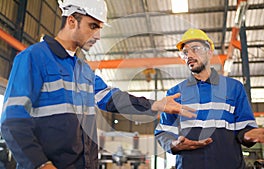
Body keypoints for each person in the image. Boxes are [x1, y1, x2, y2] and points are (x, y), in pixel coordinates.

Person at [0, 1, 196, 168]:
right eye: (92, 26)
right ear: (71, 21)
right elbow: (12, 121)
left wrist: (155, 104)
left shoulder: (83, 69)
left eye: (100, 28)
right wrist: (41, 164)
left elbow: (111, 98)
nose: (98, 36)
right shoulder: (33, 58)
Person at [154, 28, 264, 169]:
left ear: (209, 51)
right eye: (185, 52)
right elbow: (163, 131)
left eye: (195, 49)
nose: (189, 55)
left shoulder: (233, 88)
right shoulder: (175, 93)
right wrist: (173, 144)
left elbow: (244, 128)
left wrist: (248, 134)